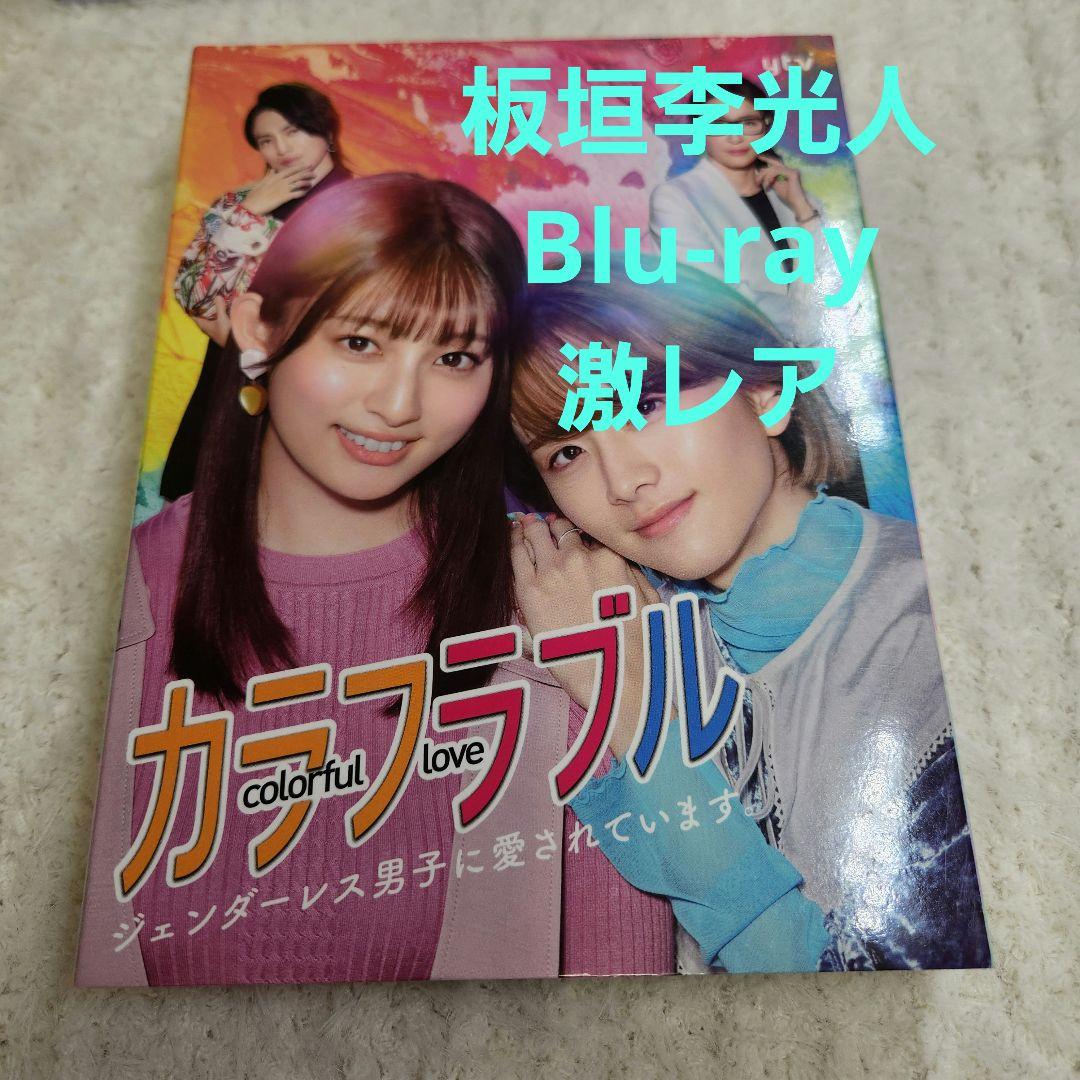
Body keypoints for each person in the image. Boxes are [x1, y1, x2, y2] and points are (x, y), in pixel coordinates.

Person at [508, 269, 991, 971]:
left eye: (646, 402)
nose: (623, 481)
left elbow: (853, 997)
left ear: (765, 391)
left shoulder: (939, 627)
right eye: (568, 452)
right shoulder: (585, 624)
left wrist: (635, 704)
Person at [158, 82, 353, 506]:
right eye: (266, 140)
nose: (281, 148)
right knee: (209, 503)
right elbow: (191, 293)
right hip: (228, 374)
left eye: (293, 131)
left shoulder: (363, 206)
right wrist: (248, 214)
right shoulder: (237, 202)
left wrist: (241, 336)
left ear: (325, 132)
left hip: (307, 380)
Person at [650, 75, 826, 345]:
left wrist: (803, 212)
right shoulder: (676, 199)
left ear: (767, 125)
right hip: (747, 358)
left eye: (748, 123)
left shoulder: (799, 199)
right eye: (718, 124)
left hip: (820, 358)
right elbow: (721, 300)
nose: (735, 137)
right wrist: (812, 323)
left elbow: (835, 282)